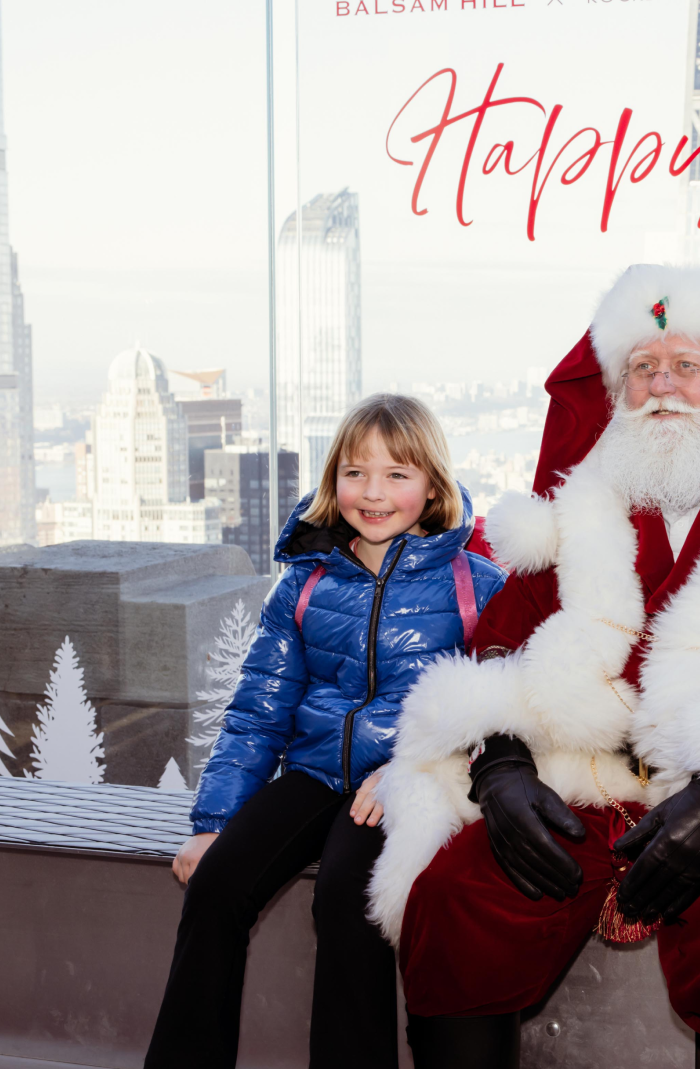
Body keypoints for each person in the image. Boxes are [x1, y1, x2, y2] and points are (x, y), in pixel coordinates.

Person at [365, 264, 700, 1068]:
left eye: (687, 365)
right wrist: (501, 762)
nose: (662, 387)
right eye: (642, 369)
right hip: (584, 776)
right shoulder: (587, 498)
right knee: (454, 897)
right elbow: (505, 633)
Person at [145, 393, 505, 1069]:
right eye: (355, 472)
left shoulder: (475, 584)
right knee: (218, 884)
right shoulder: (304, 584)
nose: (373, 493)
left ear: (432, 487)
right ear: (332, 480)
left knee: (349, 899)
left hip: (402, 781)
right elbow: (260, 708)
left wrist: (414, 769)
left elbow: (500, 710)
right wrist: (214, 819)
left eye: (397, 474)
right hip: (315, 773)